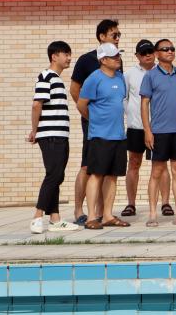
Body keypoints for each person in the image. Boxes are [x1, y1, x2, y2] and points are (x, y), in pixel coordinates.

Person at [68, 19, 121, 226]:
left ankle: (103, 213)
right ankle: (80, 211)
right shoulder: (86, 61)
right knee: (88, 167)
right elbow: (75, 91)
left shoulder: (117, 65)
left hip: (115, 129)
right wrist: (92, 116)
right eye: (114, 35)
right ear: (102, 36)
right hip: (93, 124)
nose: (117, 38)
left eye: (119, 35)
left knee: (109, 171)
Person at [76, 43, 130, 230]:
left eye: (118, 55)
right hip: (100, 135)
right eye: (114, 56)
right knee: (96, 175)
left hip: (119, 135)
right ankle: (92, 216)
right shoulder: (94, 79)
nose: (118, 59)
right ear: (103, 60)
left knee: (113, 176)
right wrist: (95, 121)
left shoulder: (121, 78)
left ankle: (107, 215)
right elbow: (81, 105)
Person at [29, 41, 81, 233]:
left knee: (57, 175)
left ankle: (55, 219)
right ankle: (37, 217)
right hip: (51, 135)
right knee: (54, 175)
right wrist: (34, 130)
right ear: (54, 56)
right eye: (65, 54)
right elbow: (37, 105)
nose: (69, 58)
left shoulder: (56, 79)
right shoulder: (46, 76)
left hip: (59, 135)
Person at [140, 39, 176, 227]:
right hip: (159, 132)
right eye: (165, 49)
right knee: (157, 171)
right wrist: (147, 130)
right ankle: (152, 214)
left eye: (172, 49)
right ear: (156, 53)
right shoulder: (150, 76)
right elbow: (144, 104)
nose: (170, 51)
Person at [120, 40, 171, 218]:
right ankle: (131, 203)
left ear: (155, 53)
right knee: (134, 163)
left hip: (159, 127)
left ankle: (165, 203)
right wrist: (131, 114)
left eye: (150, 51)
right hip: (136, 127)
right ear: (137, 56)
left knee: (161, 165)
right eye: (143, 53)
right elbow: (123, 98)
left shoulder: (162, 72)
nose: (148, 55)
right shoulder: (129, 75)